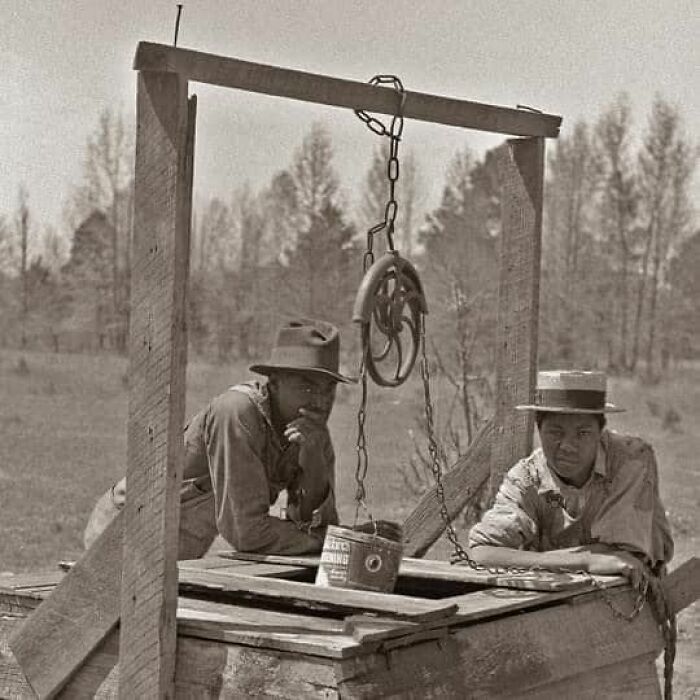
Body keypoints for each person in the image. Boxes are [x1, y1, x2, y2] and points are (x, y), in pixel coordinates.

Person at [84, 318, 399, 559]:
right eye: (306, 384)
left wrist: (314, 459)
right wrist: (335, 540)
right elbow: (246, 532)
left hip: (179, 548)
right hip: (124, 536)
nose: (320, 399)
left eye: (328, 388)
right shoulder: (237, 413)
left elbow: (316, 523)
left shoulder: (312, 432)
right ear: (273, 383)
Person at [468, 370, 674, 585]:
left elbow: (620, 555)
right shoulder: (527, 477)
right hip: (553, 596)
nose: (567, 446)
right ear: (539, 429)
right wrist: (586, 560)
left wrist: (524, 559)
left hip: (629, 595)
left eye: (582, 433)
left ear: (600, 431)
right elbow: (482, 552)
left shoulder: (631, 459)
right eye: (555, 433)